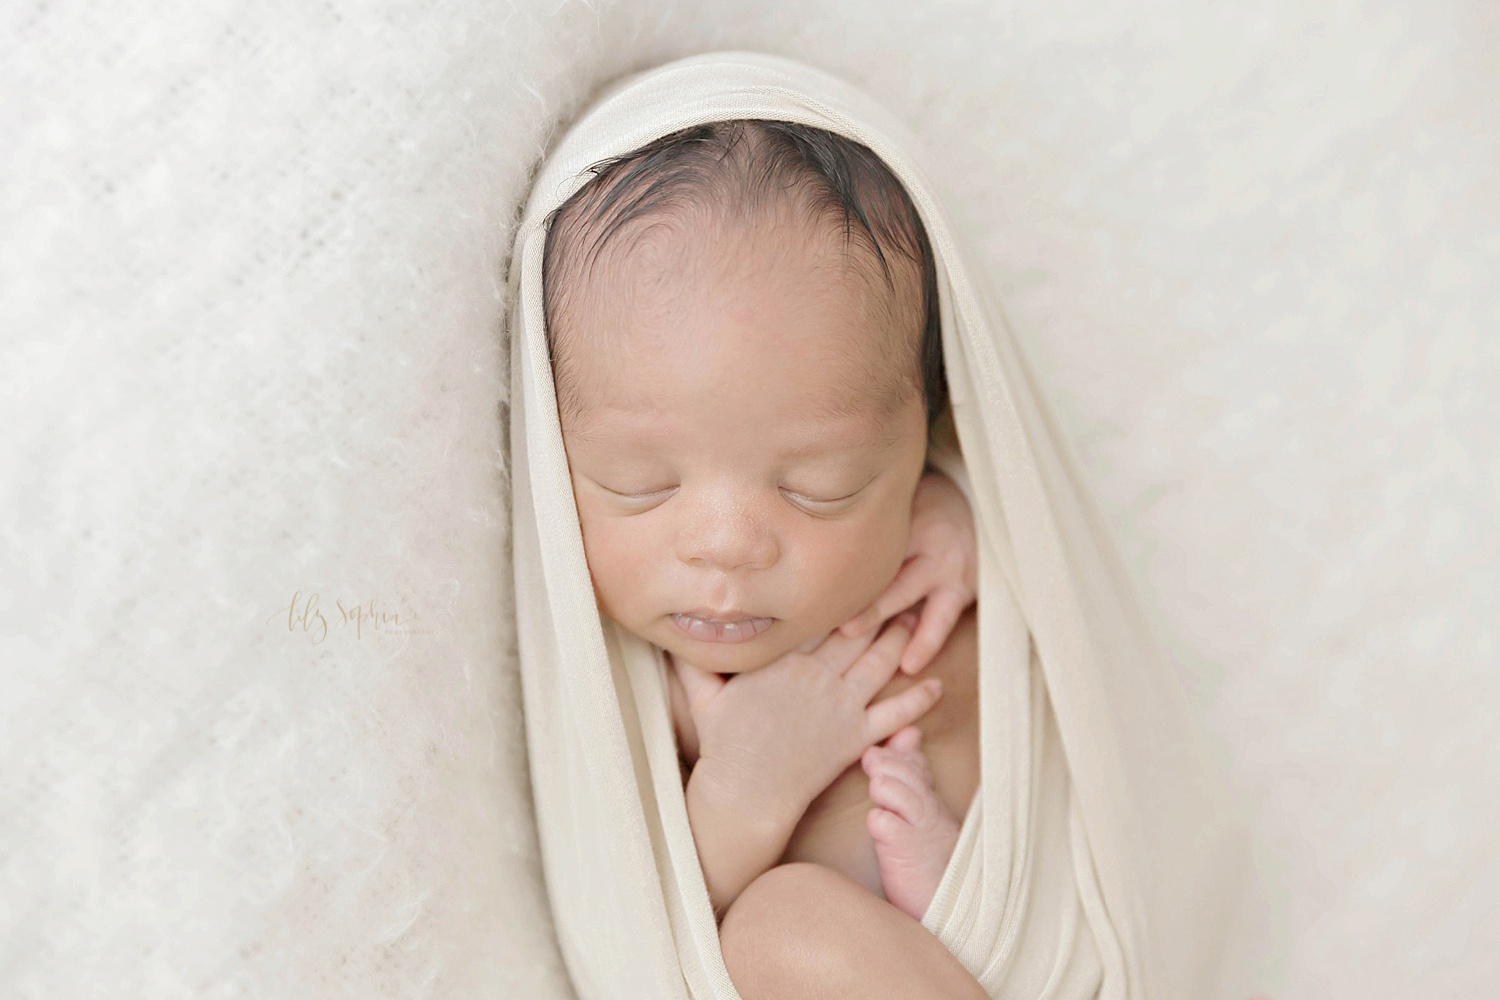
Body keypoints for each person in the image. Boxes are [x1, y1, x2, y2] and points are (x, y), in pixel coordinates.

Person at [540, 118, 1003, 998]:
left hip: (1059, 941)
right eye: (639, 484)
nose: (727, 546)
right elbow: (632, 941)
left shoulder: (918, 551)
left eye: (820, 487)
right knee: (783, 930)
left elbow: (1069, 598)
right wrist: (746, 791)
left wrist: (964, 513)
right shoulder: (648, 686)